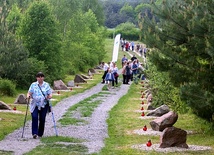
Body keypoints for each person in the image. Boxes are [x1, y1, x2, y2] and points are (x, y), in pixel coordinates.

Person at [27, 72, 52, 139]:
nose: (40, 78)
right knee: (34, 117)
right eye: (38, 77)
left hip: (44, 104)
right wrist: (28, 96)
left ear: (43, 77)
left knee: (42, 118)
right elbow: (29, 92)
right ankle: (34, 133)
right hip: (34, 104)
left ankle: (40, 133)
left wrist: (49, 97)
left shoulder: (46, 85)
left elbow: (50, 94)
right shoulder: (33, 85)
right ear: (36, 78)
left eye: (41, 77)